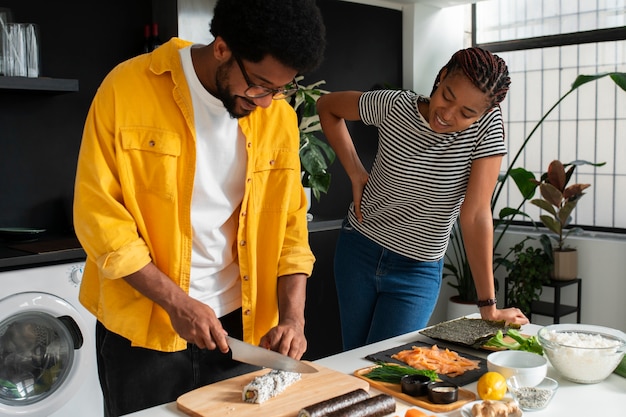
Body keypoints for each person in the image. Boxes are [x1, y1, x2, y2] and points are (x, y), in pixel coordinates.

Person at [73, 0, 325, 415]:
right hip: (144, 333)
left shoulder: (277, 116)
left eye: (280, 89)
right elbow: (99, 217)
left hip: (239, 329)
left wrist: (293, 318)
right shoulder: (127, 88)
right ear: (222, 49)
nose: (267, 102)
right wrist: (177, 302)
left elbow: (291, 226)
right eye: (260, 84)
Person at [316, 47, 529, 351]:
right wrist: (355, 171)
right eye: (447, 96)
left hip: (417, 269)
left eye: (467, 113)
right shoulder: (394, 106)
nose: (447, 114)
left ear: (483, 114)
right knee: (353, 360)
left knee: (388, 364)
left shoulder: (487, 128)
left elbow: (476, 213)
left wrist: (488, 307)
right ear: (441, 77)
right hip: (359, 249)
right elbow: (327, 107)